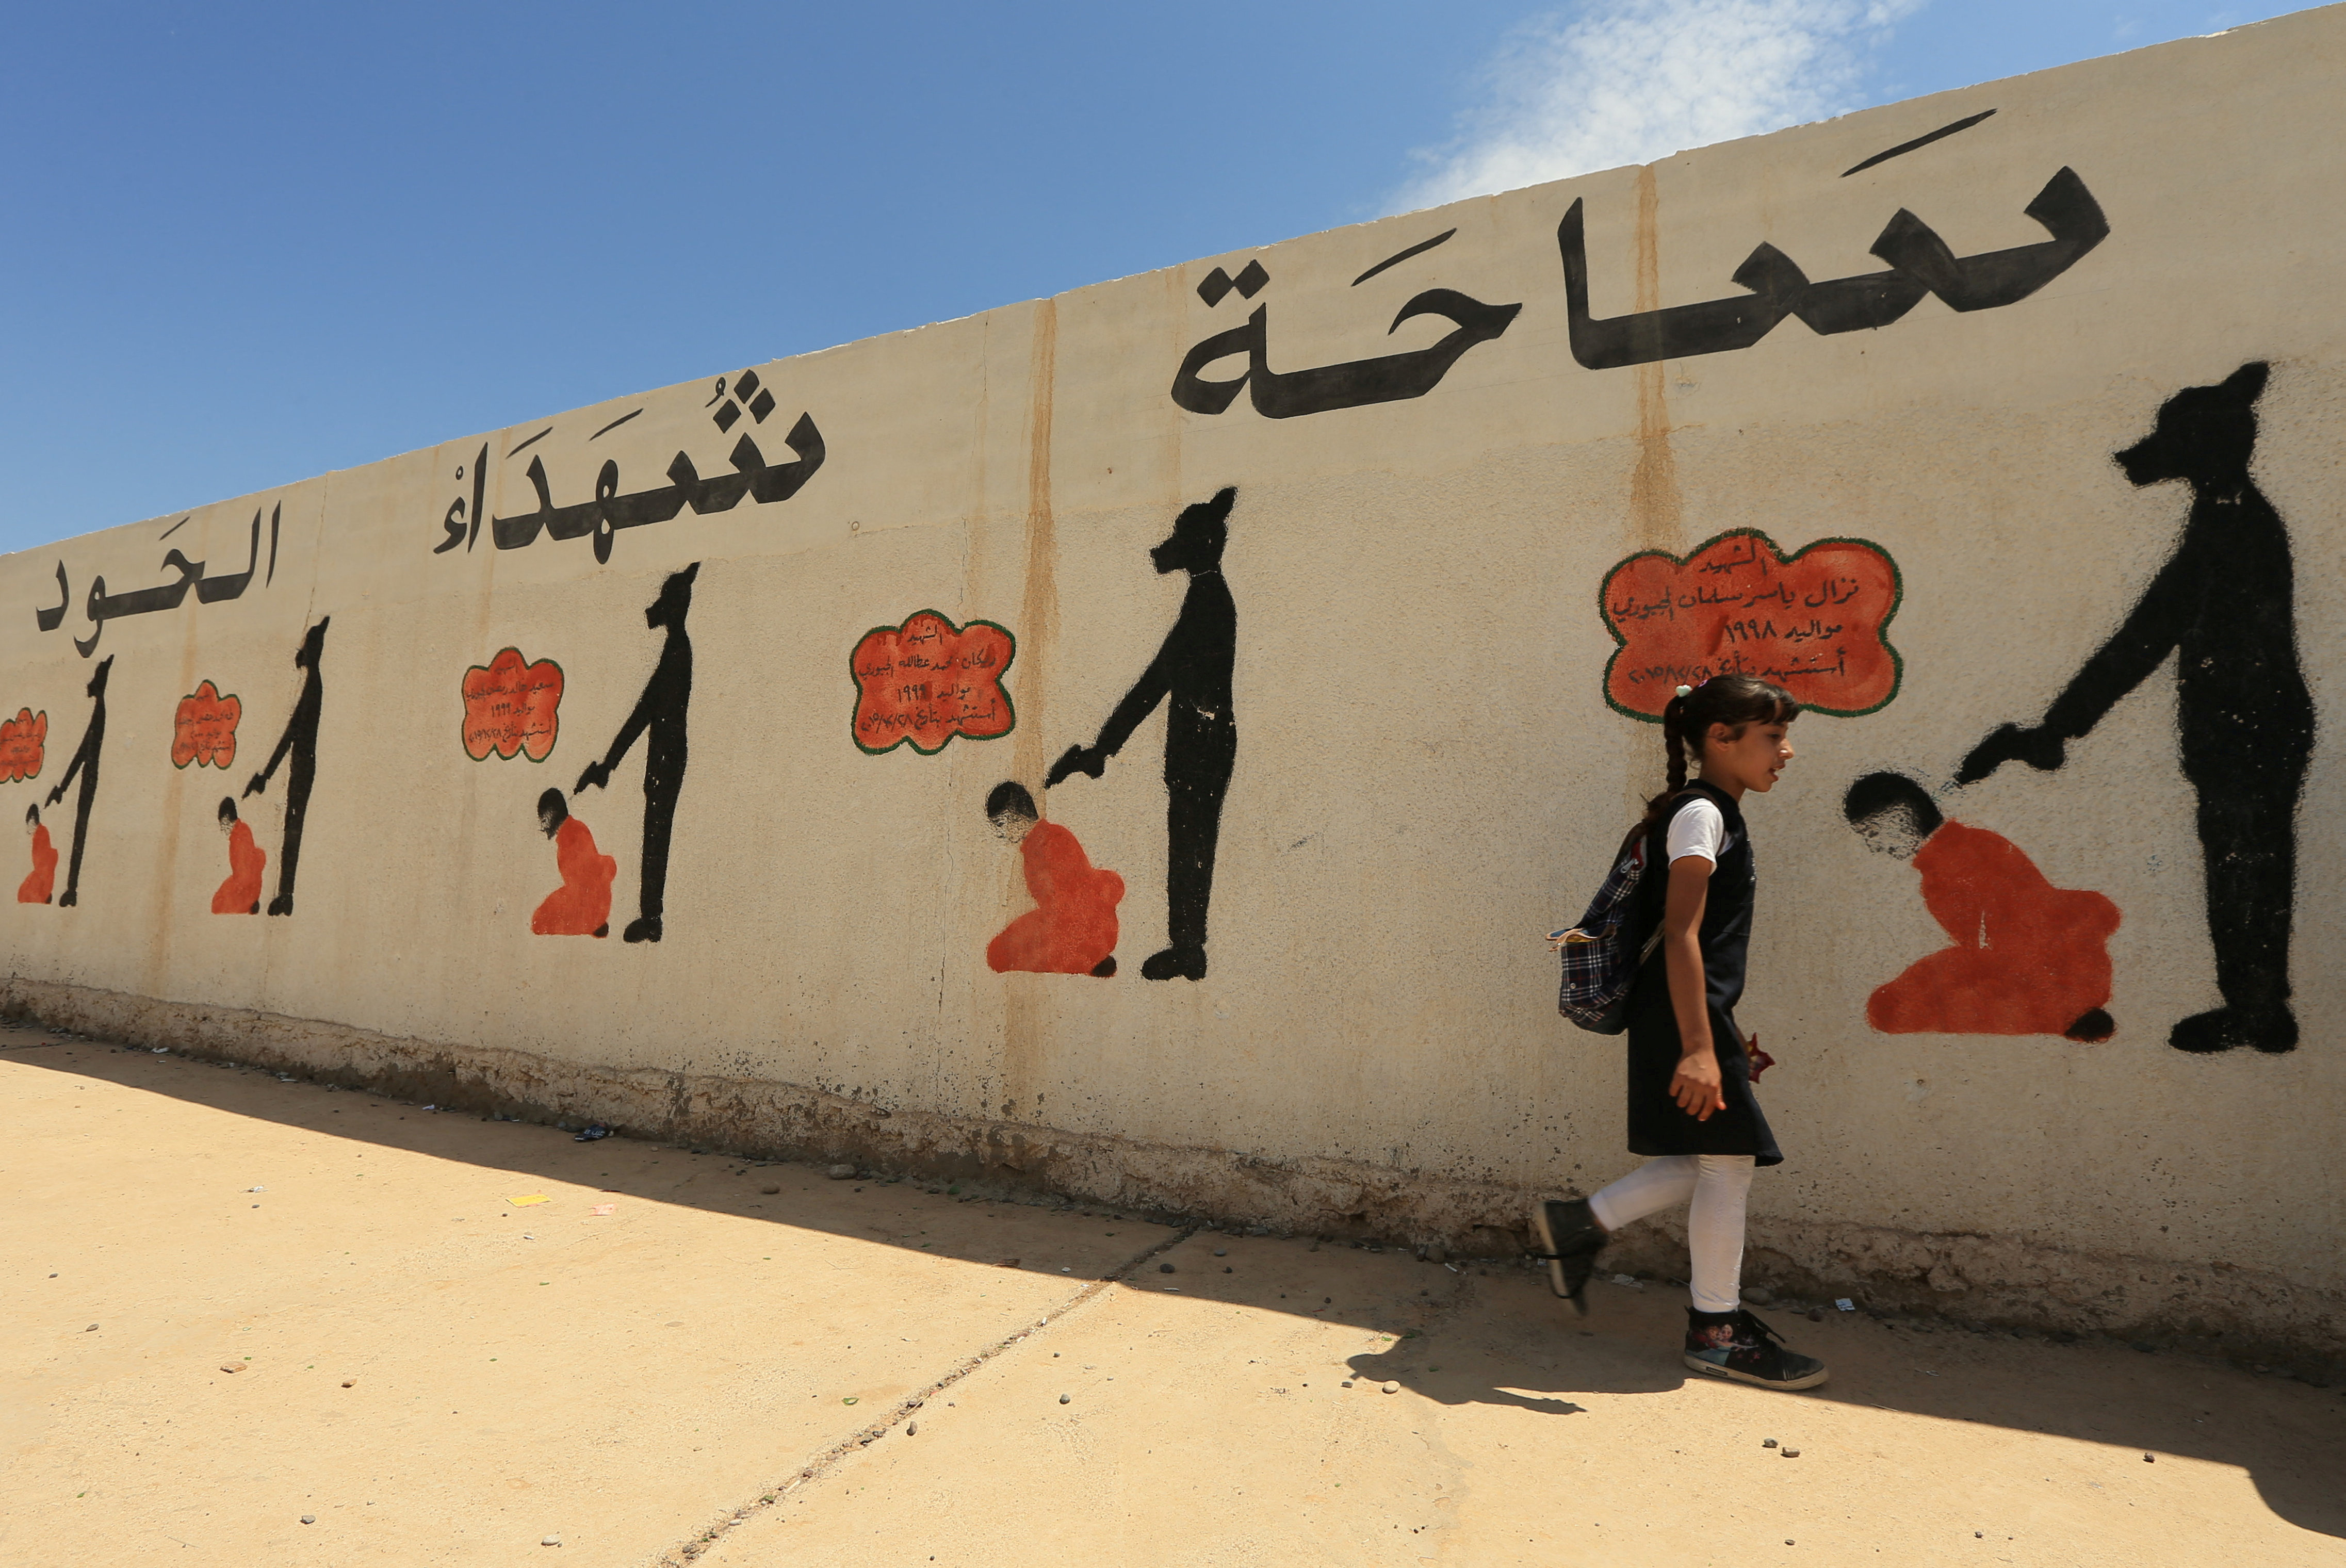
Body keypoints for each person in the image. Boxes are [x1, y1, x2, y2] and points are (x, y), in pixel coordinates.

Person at [1533, 674, 1828, 1391]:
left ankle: (1580, 1223)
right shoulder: (1702, 816)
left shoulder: (1713, 810)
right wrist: (1701, 1047)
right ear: (1719, 740)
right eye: (1773, 737)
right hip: (1685, 1017)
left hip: (1690, 1013)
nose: (1788, 752)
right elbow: (1682, 934)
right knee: (1728, 1163)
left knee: (1709, 1159)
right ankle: (1715, 1333)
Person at [1845, 772, 2118, 1040]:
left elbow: (2012, 942)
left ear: (1900, 819)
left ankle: (2066, 1016)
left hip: (2047, 982)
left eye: (1873, 833)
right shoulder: (1966, 845)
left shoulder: (1950, 866)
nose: (1874, 847)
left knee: (1889, 1008)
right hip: (2066, 974)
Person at [983, 781, 1122, 976]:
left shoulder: (1048, 843)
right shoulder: (1045, 839)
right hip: (1084, 926)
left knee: (998, 954)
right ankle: (1093, 957)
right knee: (1004, 947)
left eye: (1000, 825)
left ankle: (1090, 957)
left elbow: (1068, 905)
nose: (1000, 834)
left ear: (1015, 818)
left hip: (1079, 929)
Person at [531, 789, 616, 938]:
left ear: (553, 814)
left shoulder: (571, 837)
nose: (542, 827)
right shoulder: (575, 829)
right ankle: (596, 922)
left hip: (589, 906)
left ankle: (593, 923)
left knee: (539, 922)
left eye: (544, 820)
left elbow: (583, 882)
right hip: (598, 903)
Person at [210, 797, 266, 915]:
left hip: (247, 888)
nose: (222, 828)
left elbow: (244, 876)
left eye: (223, 824)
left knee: (218, 905)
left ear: (227, 819)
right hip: (250, 884)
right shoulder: (242, 830)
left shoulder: (239, 838)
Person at [19, 804, 55, 905]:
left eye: (30, 824)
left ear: (34, 820)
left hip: (44, 872)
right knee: (24, 892)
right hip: (42, 872)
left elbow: (44, 859)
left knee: (25, 893)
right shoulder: (39, 834)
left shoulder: (42, 834)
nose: (28, 828)